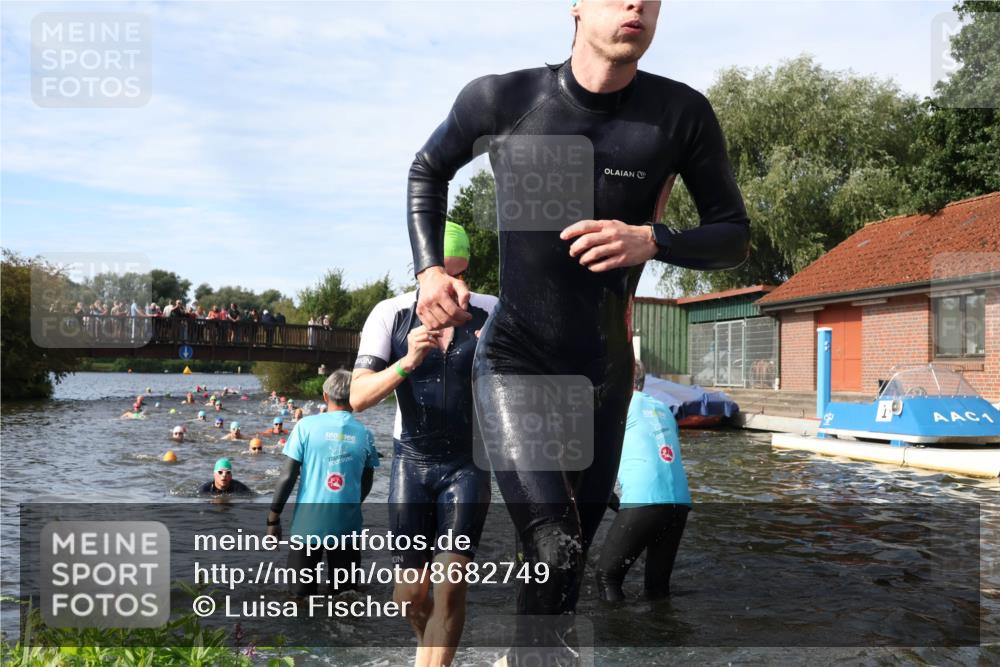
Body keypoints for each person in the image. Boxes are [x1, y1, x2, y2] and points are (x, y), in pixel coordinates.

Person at [405, 0, 749, 648]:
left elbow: (733, 236)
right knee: (554, 540)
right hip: (516, 361)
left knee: (563, 569)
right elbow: (429, 168)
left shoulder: (680, 115)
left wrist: (654, 238)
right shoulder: (503, 99)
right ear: (576, 6)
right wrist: (429, 269)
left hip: (605, 377)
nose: (636, 6)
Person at [351, 221, 497, 667]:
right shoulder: (389, 314)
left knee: (451, 582)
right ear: (421, 272)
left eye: (458, 272)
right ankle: (430, 650)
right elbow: (356, 396)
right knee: (410, 596)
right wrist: (408, 362)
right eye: (440, 272)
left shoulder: (493, 312)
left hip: (469, 462)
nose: (451, 285)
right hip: (411, 461)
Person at [266, 370, 380, 598]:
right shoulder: (365, 434)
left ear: (325, 396)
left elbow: (287, 477)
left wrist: (273, 518)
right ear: (354, 397)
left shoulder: (305, 427)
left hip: (308, 524)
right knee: (346, 597)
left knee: (299, 597)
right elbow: (366, 482)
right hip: (347, 525)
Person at [595, 359, 691, 602]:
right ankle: (663, 634)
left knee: (607, 577)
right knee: (657, 588)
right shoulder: (664, 408)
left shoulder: (616, 405)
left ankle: (615, 636)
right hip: (679, 504)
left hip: (645, 500)